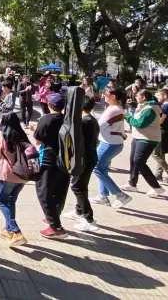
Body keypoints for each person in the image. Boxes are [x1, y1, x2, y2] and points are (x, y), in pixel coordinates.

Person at [31, 93, 68, 238]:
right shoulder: (67, 119)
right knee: (59, 190)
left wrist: (35, 129)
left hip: (49, 157)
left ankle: (56, 226)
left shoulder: (46, 119)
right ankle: (53, 215)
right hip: (65, 158)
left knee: (43, 191)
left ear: (49, 105)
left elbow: (38, 141)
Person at [62, 96, 100, 232]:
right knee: (82, 185)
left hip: (84, 158)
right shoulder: (92, 120)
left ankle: (89, 219)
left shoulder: (83, 122)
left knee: (77, 187)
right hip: (90, 157)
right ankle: (78, 210)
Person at [0, 112, 28, 247]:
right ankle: (8, 230)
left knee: (1, 200)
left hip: (8, 174)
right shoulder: (22, 134)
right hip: (23, 175)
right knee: (11, 201)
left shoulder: (1, 135)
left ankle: (15, 231)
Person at [122, 90, 165, 196]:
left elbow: (140, 124)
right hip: (138, 137)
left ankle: (156, 187)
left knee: (139, 161)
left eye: (138, 96)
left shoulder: (150, 109)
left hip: (148, 139)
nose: (136, 97)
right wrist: (131, 104)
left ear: (144, 97)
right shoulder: (144, 106)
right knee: (133, 160)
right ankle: (132, 183)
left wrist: (127, 116)